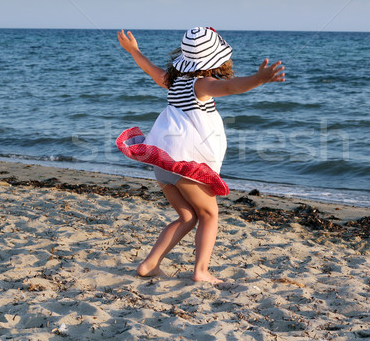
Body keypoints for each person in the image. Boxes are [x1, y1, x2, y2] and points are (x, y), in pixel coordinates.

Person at [116, 27, 285, 283]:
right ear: (214, 60)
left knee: (188, 217)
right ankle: (201, 271)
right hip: (184, 164)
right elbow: (229, 87)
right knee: (209, 215)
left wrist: (133, 50)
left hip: (163, 162)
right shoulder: (202, 83)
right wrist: (258, 79)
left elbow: (148, 67)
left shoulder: (172, 81)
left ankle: (149, 265)